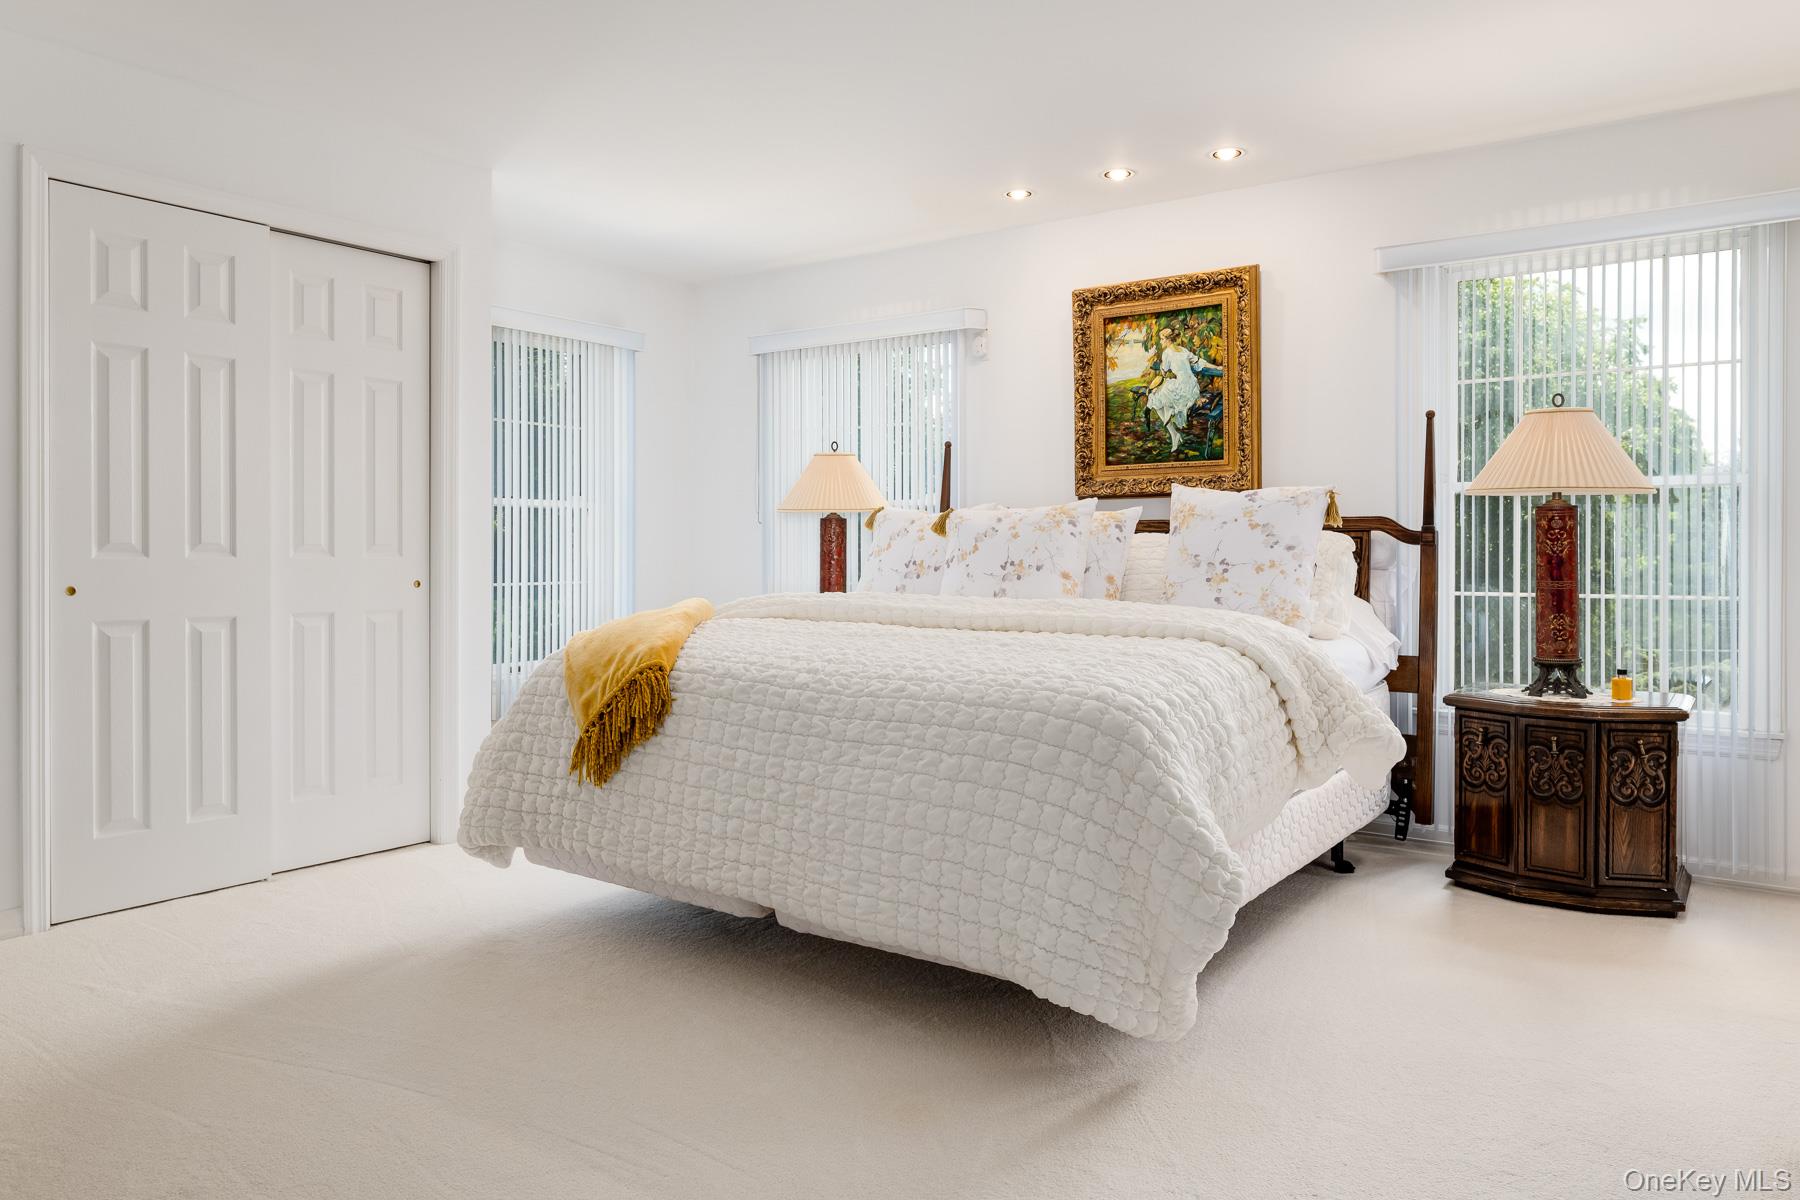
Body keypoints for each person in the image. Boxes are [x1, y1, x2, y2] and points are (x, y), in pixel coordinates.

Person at [1145, 328, 1206, 455]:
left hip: (1182, 388)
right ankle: (1174, 433)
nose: (1161, 342)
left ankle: (1174, 434)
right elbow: (1198, 361)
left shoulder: (1167, 352)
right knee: (1159, 397)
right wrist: (1217, 367)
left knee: (1154, 397)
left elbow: (1164, 372)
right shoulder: (1183, 350)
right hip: (1192, 387)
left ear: (1168, 340)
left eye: (1162, 339)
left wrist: (1162, 368)